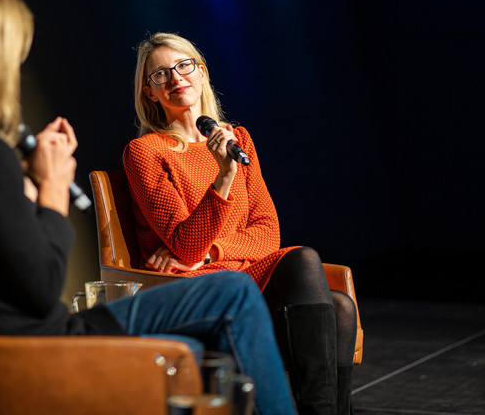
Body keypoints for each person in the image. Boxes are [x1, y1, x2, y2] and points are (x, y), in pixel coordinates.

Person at [0, 0, 294, 415]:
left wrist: (18, 187)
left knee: (191, 345)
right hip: (36, 338)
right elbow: (42, 288)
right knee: (231, 290)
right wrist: (53, 189)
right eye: (15, 57)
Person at [122, 32, 358, 415]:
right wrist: (224, 178)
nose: (175, 78)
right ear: (150, 92)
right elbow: (184, 248)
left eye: (184, 66)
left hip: (244, 272)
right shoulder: (145, 152)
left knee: (338, 304)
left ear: (201, 74)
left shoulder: (237, 138)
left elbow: (268, 231)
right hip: (197, 286)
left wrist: (213, 251)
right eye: (160, 74)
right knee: (310, 272)